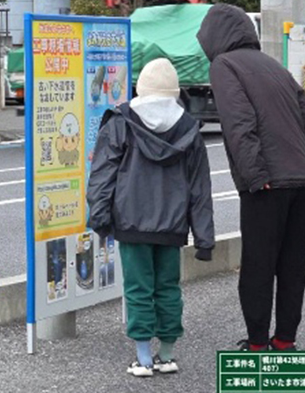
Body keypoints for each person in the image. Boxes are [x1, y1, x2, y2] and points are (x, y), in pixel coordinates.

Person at [196, 4, 305, 352]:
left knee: (258, 265)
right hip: (301, 179)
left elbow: (239, 122)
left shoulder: (224, 65)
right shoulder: (274, 67)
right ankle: (285, 340)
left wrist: (254, 174)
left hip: (267, 182)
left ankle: (257, 343)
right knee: (292, 266)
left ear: (214, 37)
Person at [88, 58, 215, 377]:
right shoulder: (189, 128)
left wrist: (100, 219)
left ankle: (143, 358)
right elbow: (200, 187)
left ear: (141, 89)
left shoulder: (121, 122)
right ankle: (167, 355)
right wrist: (204, 239)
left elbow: (103, 176)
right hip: (173, 225)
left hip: (130, 221)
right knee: (168, 288)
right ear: (175, 92)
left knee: (138, 288)